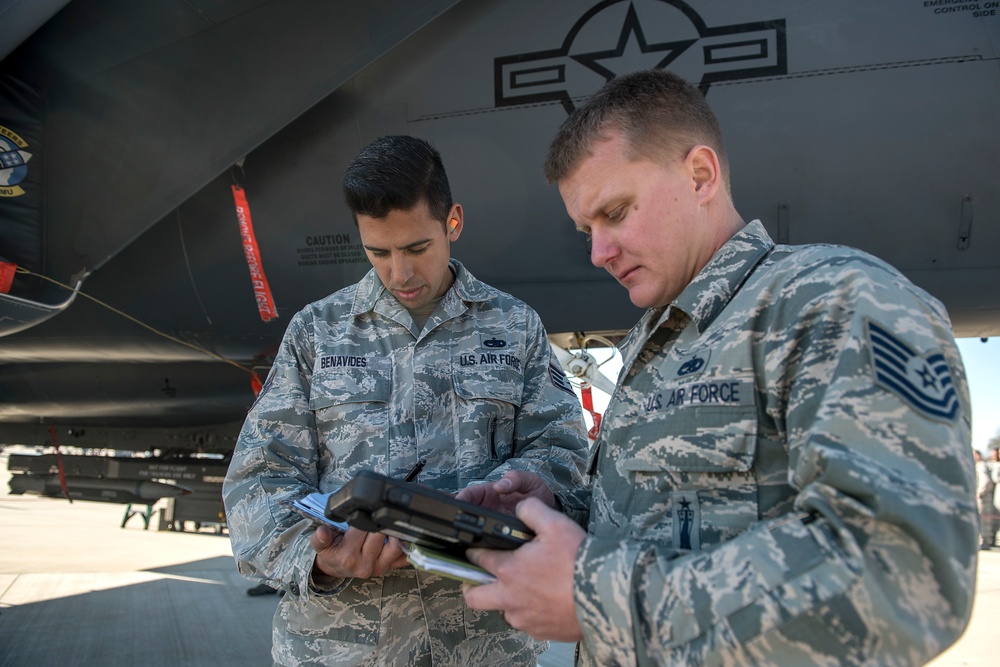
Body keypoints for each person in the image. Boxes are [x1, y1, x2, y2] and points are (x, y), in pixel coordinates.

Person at [462, 69, 978, 665]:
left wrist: (599, 598)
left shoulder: (832, 300)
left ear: (700, 175)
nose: (599, 254)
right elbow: (684, 520)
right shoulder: (658, 340)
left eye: (617, 213)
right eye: (587, 231)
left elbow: (905, 569)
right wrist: (554, 513)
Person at [223, 135, 589, 666]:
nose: (399, 273)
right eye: (379, 252)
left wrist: (509, 498)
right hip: (343, 649)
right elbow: (258, 478)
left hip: (482, 646)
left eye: (417, 248)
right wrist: (321, 557)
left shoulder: (514, 327)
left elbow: (563, 453)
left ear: (453, 223)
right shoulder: (317, 333)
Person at [975, 449, 996, 550]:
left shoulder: (981, 465)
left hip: (982, 498)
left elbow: (985, 480)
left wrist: (979, 492)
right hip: (984, 497)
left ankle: (984, 542)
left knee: (984, 520)